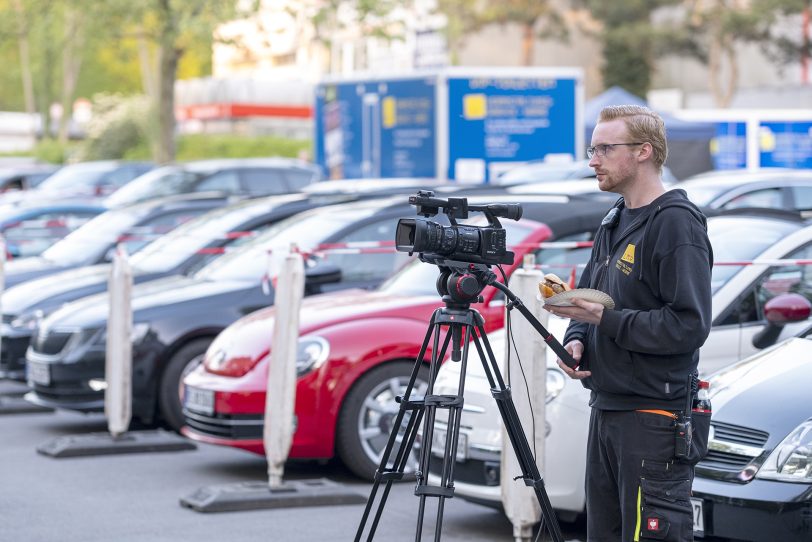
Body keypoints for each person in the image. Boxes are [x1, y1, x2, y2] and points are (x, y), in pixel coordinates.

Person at [544, 105, 713, 541]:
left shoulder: (676, 223)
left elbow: (688, 326)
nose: (592, 159)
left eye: (604, 148)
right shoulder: (614, 218)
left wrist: (606, 319)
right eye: (591, 147)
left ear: (643, 151)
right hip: (606, 409)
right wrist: (578, 336)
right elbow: (592, 295)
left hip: (653, 420)